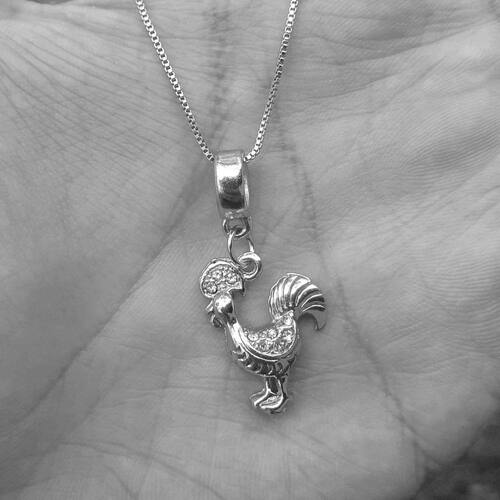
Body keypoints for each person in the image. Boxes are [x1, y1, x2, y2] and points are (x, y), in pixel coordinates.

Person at [0, 0, 499, 498]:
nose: (218, 312)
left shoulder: (254, 339)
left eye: (220, 307)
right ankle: (274, 392)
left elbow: (267, 344)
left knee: (272, 353)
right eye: (220, 307)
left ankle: (276, 392)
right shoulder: (241, 332)